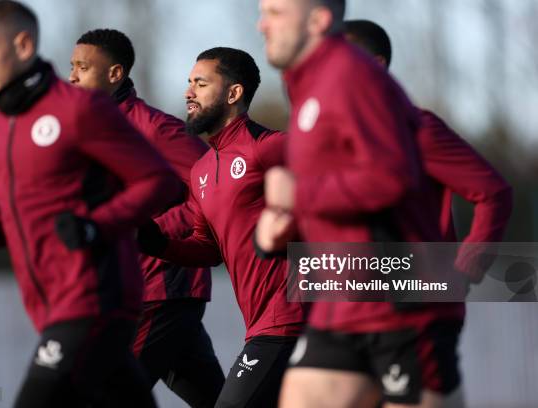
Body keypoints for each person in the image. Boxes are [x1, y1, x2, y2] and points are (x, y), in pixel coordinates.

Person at [0, 1, 184, 406]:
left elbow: (160, 182)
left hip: (96, 301)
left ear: (23, 45)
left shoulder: (81, 109)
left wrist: (95, 226)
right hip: (47, 311)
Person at [257, 0, 492, 407]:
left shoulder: (353, 75)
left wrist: (466, 265)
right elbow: (338, 195)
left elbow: (391, 178)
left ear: (319, 20)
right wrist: (279, 227)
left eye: (276, 12)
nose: (262, 25)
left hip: (403, 310)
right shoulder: (309, 90)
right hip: (340, 305)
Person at [138, 47, 306, 407]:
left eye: (200, 83)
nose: (188, 92)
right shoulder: (201, 171)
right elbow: (207, 247)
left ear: (233, 93)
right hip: (262, 323)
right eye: (188, 83)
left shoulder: (269, 147)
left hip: (290, 319)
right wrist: (158, 243)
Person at [68, 28, 224, 407]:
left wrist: (153, 232)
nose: (71, 76)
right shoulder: (84, 133)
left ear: (114, 73)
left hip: (160, 292)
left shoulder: (155, 130)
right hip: (125, 292)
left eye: (82, 67)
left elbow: (214, 188)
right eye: (70, 66)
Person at [342, 19, 512, 279]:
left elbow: (494, 193)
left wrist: (466, 270)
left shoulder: (417, 129)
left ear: (376, 66)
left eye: (340, 61)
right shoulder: (327, 136)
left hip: (418, 301)